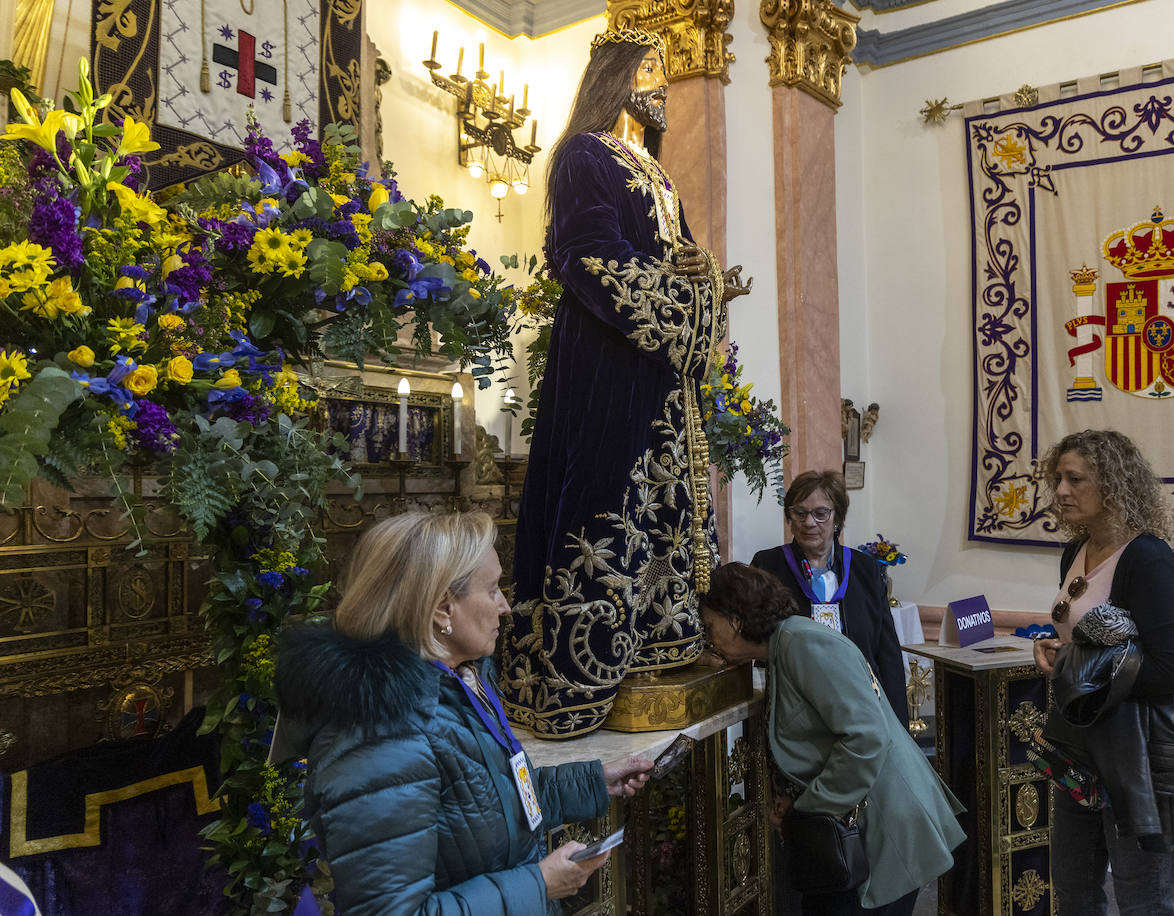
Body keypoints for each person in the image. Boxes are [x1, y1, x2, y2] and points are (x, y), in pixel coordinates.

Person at [502, 26, 751, 738]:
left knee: (660, 505)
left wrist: (705, 284)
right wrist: (687, 302)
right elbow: (588, 256)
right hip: (610, 360)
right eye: (649, 69)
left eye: (663, 72)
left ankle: (656, 640)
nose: (661, 84)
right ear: (614, 76)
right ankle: (583, 671)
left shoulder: (655, 169)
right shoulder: (584, 154)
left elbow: (680, 259)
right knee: (606, 494)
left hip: (658, 371)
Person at [273, 511, 653, 915]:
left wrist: (594, 780)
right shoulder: (382, 734)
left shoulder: (453, 687)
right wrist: (538, 884)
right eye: (491, 590)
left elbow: (483, 803)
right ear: (442, 608)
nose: (505, 607)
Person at [700, 562, 965, 916]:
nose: (709, 637)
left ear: (734, 618)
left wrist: (808, 810)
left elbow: (866, 738)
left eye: (709, 625)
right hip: (863, 824)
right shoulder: (786, 644)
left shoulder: (802, 644)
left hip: (882, 830)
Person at [1032, 429, 1174, 916]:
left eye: (1075, 479)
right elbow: (1087, 640)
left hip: (1139, 750)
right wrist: (1059, 650)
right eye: (1058, 478)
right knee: (1074, 886)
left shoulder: (1147, 557)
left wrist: (1074, 669)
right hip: (1079, 741)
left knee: (1144, 893)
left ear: (1115, 485)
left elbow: (1173, 668)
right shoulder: (1075, 551)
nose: (1061, 490)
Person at [751, 470, 908, 727]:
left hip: (861, 706)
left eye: (820, 513)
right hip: (795, 709)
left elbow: (887, 652)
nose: (809, 522)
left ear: (837, 518)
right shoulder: (768, 566)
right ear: (789, 517)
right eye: (800, 513)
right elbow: (754, 638)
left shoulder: (866, 570)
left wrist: (899, 727)